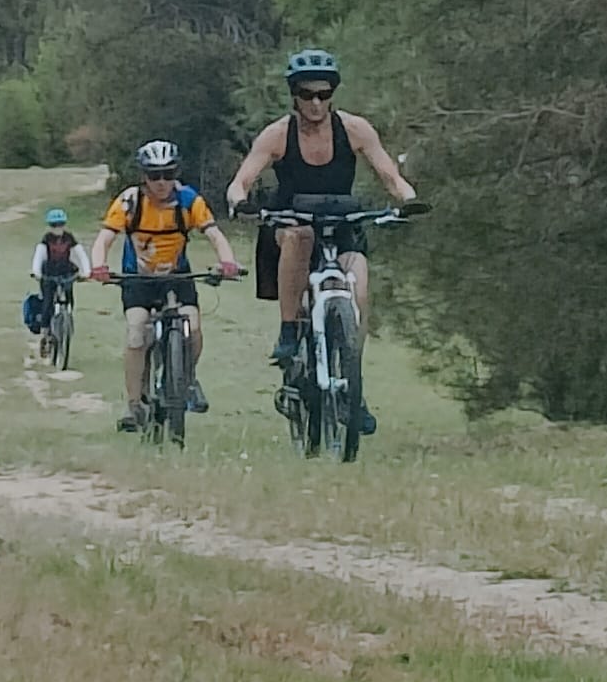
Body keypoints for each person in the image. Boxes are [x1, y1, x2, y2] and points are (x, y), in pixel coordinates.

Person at [223, 48, 417, 436]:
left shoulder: (356, 129)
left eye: (324, 94)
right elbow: (241, 181)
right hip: (291, 219)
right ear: (294, 95)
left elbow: (390, 176)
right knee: (300, 237)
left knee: (358, 286)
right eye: (308, 94)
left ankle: (351, 383)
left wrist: (408, 201)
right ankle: (289, 330)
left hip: (343, 220)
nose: (316, 102)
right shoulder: (278, 135)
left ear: (333, 95)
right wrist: (239, 202)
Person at [88, 140, 240, 433]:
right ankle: (134, 405)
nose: (161, 183)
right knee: (136, 332)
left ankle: (188, 379)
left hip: (177, 277)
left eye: (168, 175)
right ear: (143, 176)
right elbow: (105, 238)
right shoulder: (129, 202)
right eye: (154, 176)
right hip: (138, 280)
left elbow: (214, 234)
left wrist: (228, 262)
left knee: (193, 328)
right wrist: (99, 266)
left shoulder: (188, 201)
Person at [23, 208, 89, 339]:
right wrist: (36, 272)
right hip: (49, 273)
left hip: (66, 272)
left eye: (60, 225)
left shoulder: (69, 238)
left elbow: (80, 253)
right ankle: (45, 331)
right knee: (47, 302)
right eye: (54, 225)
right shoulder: (46, 239)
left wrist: (86, 271)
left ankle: (67, 319)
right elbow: (39, 255)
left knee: (69, 297)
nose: (57, 228)